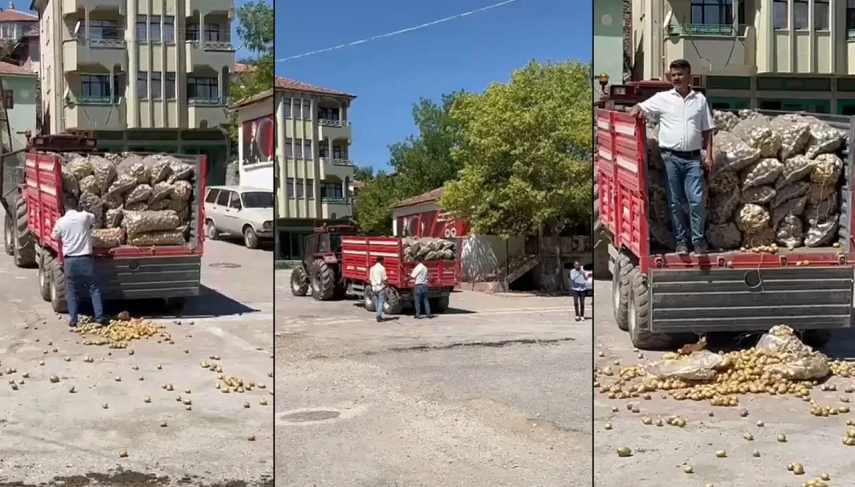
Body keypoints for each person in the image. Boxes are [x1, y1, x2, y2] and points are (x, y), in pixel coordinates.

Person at [629, 58, 714, 256]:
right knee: (675, 202)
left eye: (679, 75)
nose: (676, 78)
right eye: (673, 75)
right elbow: (642, 107)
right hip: (670, 159)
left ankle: (698, 241)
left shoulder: (699, 100)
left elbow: (707, 130)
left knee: (696, 200)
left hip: (693, 159)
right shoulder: (662, 98)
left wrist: (708, 156)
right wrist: (636, 110)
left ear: (688, 76)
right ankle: (681, 242)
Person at [50, 197, 106, 328]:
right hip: (85, 259)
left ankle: (73, 320)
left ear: (64, 209)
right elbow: (94, 218)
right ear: (77, 206)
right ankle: (99, 317)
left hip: (70, 260)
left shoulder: (61, 222)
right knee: (94, 288)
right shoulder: (84, 216)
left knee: (71, 291)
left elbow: (54, 237)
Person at [369, 256, 387, 322]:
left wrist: (372, 286)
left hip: (374, 288)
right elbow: (384, 279)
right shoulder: (382, 268)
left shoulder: (372, 268)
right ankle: (379, 316)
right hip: (380, 287)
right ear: (381, 260)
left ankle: (378, 315)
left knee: (377, 303)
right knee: (381, 303)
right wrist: (387, 285)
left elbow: (370, 280)